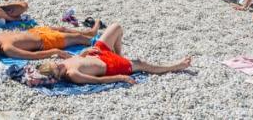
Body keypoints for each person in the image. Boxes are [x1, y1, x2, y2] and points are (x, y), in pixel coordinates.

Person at [30, 23, 191, 84]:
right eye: (57, 68)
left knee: (116, 27)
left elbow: (78, 59)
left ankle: (119, 54)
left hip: (98, 54)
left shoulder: (64, 64)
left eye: (56, 64)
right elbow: (98, 80)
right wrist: (121, 77)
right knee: (141, 63)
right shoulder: (73, 75)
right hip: (109, 66)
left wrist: (85, 53)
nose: (59, 64)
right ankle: (177, 66)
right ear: (57, 76)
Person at [0, 22, 99, 59]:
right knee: (78, 39)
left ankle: (90, 32)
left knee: (62, 28)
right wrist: (55, 51)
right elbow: (32, 55)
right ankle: (98, 44)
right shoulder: (8, 49)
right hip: (46, 41)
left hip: (36, 31)